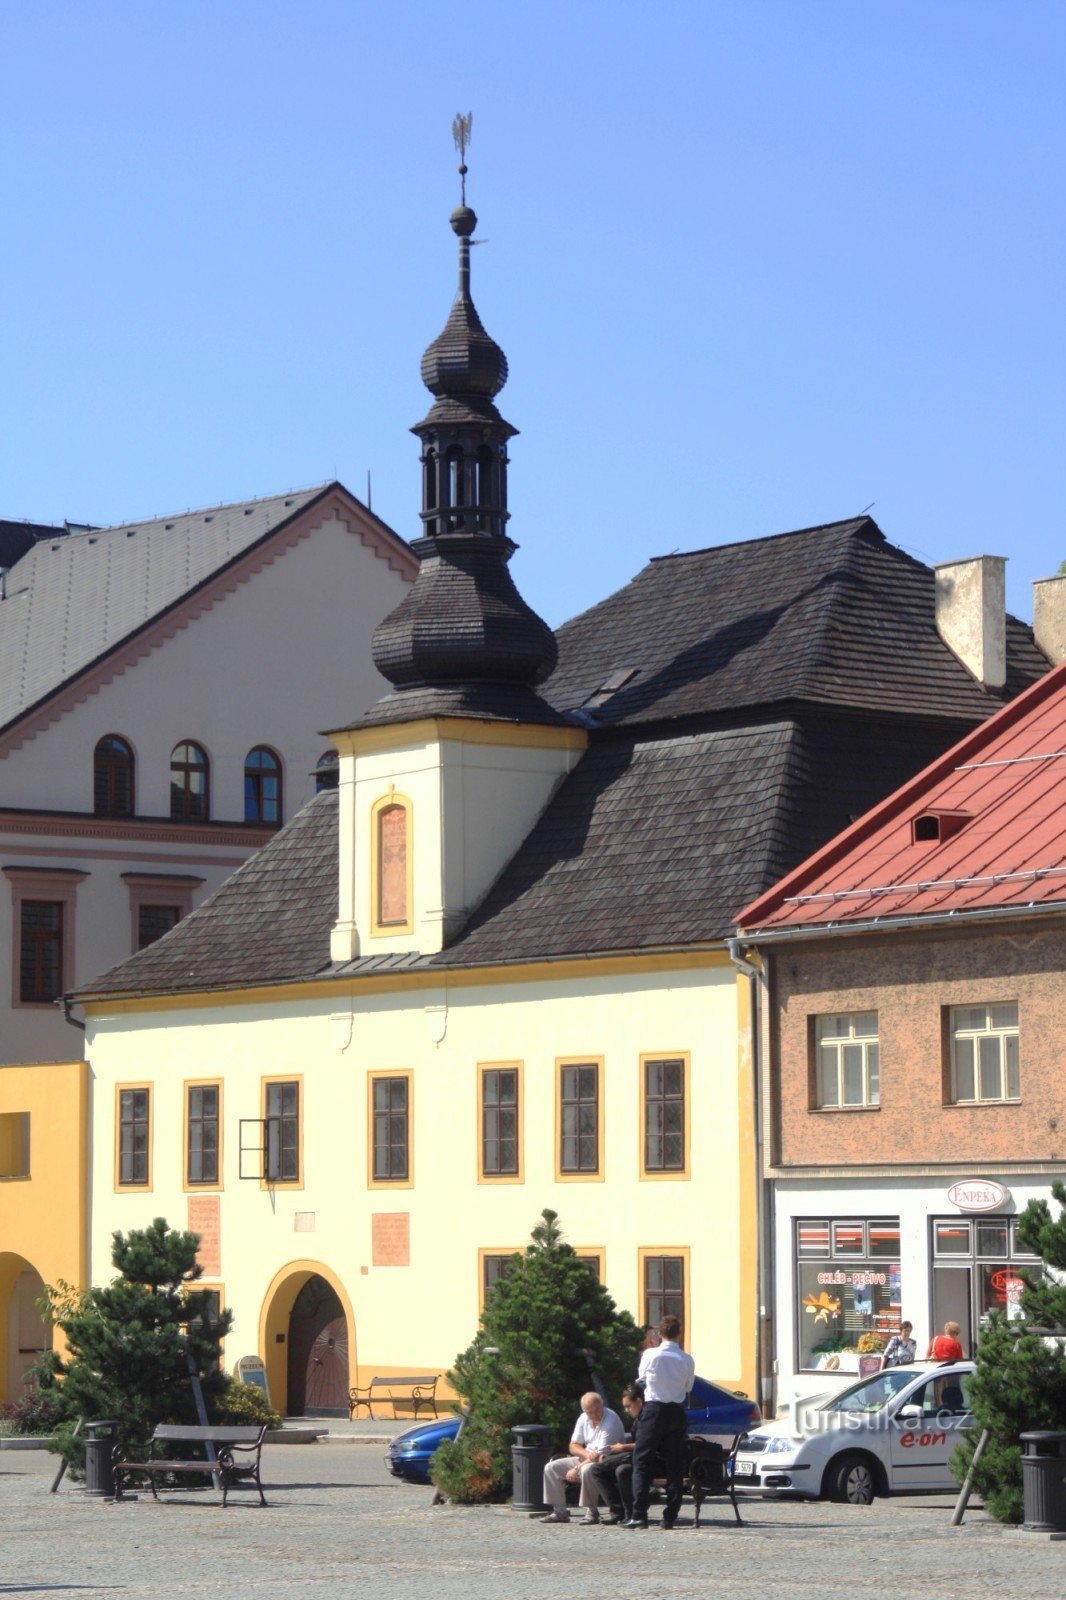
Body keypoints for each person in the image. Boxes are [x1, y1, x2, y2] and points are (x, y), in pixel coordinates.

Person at [625, 1313, 695, 1530]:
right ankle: (670, 1517)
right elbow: (688, 1387)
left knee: (642, 1462)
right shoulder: (686, 1359)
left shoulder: (651, 1355)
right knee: (675, 1466)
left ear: (660, 1334)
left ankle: (639, 1515)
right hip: (676, 1411)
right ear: (679, 1334)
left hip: (654, 1410)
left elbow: (640, 1378)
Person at [541, 1391, 625, 1525]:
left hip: (607, 1460)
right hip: (587, 1456)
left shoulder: (611, 1420)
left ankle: (591, 1511)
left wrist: (576, 1468)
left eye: (597, 1409)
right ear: (585, 1411)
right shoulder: (583, 1418)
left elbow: (599, 1455)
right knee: (551, 1468)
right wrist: (586, 1455)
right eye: (590, 1412)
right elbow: (573, 1446)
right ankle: (560, 1511)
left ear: (602, 1404)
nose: (595, 1414)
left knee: (587, 1469)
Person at [590, 1382, 644, 1523]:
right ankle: (619, 1512)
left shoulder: (647, 1418)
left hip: (649, 1460)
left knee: (596, 1468)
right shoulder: (638, 1419)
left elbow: (647, 1444)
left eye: (628, 1406)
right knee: (622, 1470)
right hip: (636, 1458)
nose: (626, 1410)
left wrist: (623, 1448)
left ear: (638, 1401)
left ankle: (626, 1512)